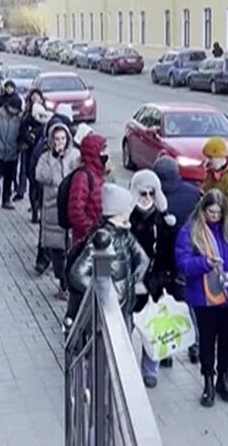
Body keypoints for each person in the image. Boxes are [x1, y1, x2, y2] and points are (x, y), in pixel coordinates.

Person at [175, 189, 228, 408]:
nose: (214, 217)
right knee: (207, 339)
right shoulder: (190, 231)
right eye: (210, 212)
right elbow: (182, 263)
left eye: (218, 213)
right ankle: (208, 380)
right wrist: (204, 263)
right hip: (204, 296)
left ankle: (223, 378)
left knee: (227, 338)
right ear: (203, 210)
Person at [68, 184, 150, 323]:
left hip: (123, 306)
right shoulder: (102, 239)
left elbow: (143, 259)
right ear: (119, 210)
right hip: (108, 312)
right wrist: (103, 294)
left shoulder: (124, 233)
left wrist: (132, 282)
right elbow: (77, 274)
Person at [153, 156, 202, 365]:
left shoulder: (155, 196)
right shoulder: (192, 193)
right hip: (186, 259)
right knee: (188, 304)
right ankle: (195, 347)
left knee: (163, 306)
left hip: (161, 259)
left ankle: (167, 352)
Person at [128, 169, 173, 388]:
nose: (146, 198)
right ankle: (123, 365)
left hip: (152, 286)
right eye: (143, 193)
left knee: (153, 329)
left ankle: (150, 368)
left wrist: (156, 283)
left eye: (151, 193)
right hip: (129, 287)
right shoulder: (126, 220)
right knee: (125, 329)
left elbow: (166, 258)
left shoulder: (162, 222)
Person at [34, 122, 81, 297]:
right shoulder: (45, 158)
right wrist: (54, 160)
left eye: (62, 139)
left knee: (71, 249)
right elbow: (40, 176)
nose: (60, 142)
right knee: (57, 251)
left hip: (70, 208)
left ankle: (70, 283)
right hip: (52, 209)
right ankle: (62, 282)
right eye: (56, 139)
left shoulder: (75, 156)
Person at [67, 133, 108, 246]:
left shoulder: (97, 172)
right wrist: (91, 228)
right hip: (85, 238)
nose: (105, 154)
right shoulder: (82, 177)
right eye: (102, 150)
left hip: (96, 236)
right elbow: (76, 211)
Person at [17, 91, 51, 213]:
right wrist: (27, 138)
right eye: (33, 98)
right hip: (30, 151)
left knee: (39, 181)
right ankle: (35, 207)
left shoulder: (46, 118)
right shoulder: (27, 116)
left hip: (41, 153)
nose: (36, 100)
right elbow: (22, 130)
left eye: (38, 98)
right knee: (31, 178)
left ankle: (38, 205)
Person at [0, 95, 23, 209]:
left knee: (9, 177)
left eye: (16, 109)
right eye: (12, 108)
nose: (14, 111)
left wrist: (19, 146)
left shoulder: (20, 118)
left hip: (12, 152)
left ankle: (6, 199)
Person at [201, 137, 228, 218]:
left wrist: (216, 215)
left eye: (211, 158)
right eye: (207, 157)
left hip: (225, 222)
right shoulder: (212, 172)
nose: (207, 161)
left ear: (220, 157)